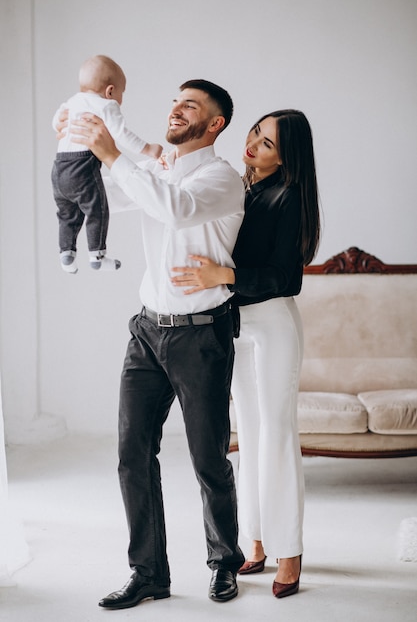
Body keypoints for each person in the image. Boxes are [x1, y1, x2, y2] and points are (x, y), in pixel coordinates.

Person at [67, 79, 246, 608]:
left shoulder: (223, 179)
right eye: (175, 101)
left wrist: (115, 153)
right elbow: (98, 193)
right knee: (131, 455)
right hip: (147, 331)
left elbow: (176, 209)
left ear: (214, 123)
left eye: (190, 105)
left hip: (202, 335)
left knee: (207, 458)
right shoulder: (154, 170)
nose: (175, 110)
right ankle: (148, 574)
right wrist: (76, 146)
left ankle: (224, 563)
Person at [171, 109, 321, 598]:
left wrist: (223, 276)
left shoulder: (289, 196)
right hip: (237, 324)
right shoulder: (244, 186)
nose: (254, 144)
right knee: (250, 436)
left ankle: (290, 552)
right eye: (256, 133)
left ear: (288, 158)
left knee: (277, 435)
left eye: (269, 144)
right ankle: (255, 542)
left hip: (274, 324)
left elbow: (287, 278)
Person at [51, 55, 162, 273]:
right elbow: (122, 135)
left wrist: (58, 126)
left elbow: (57, 122)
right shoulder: (106, 105)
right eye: (122, 93)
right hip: (81, 167)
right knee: (97, 209)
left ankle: (67, 254)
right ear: (110, 91)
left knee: (67, 214)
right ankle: (97, 256)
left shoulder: (71, 102)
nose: (120, 99)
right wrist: (149, 149)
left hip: (58, 168)